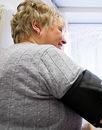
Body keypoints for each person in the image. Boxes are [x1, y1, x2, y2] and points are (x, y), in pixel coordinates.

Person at [0, 0, 84, 129]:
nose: (65, 40)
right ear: (37, 26)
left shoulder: (4, 57)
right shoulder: (45, 53)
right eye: (60, 30)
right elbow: (93, 94)